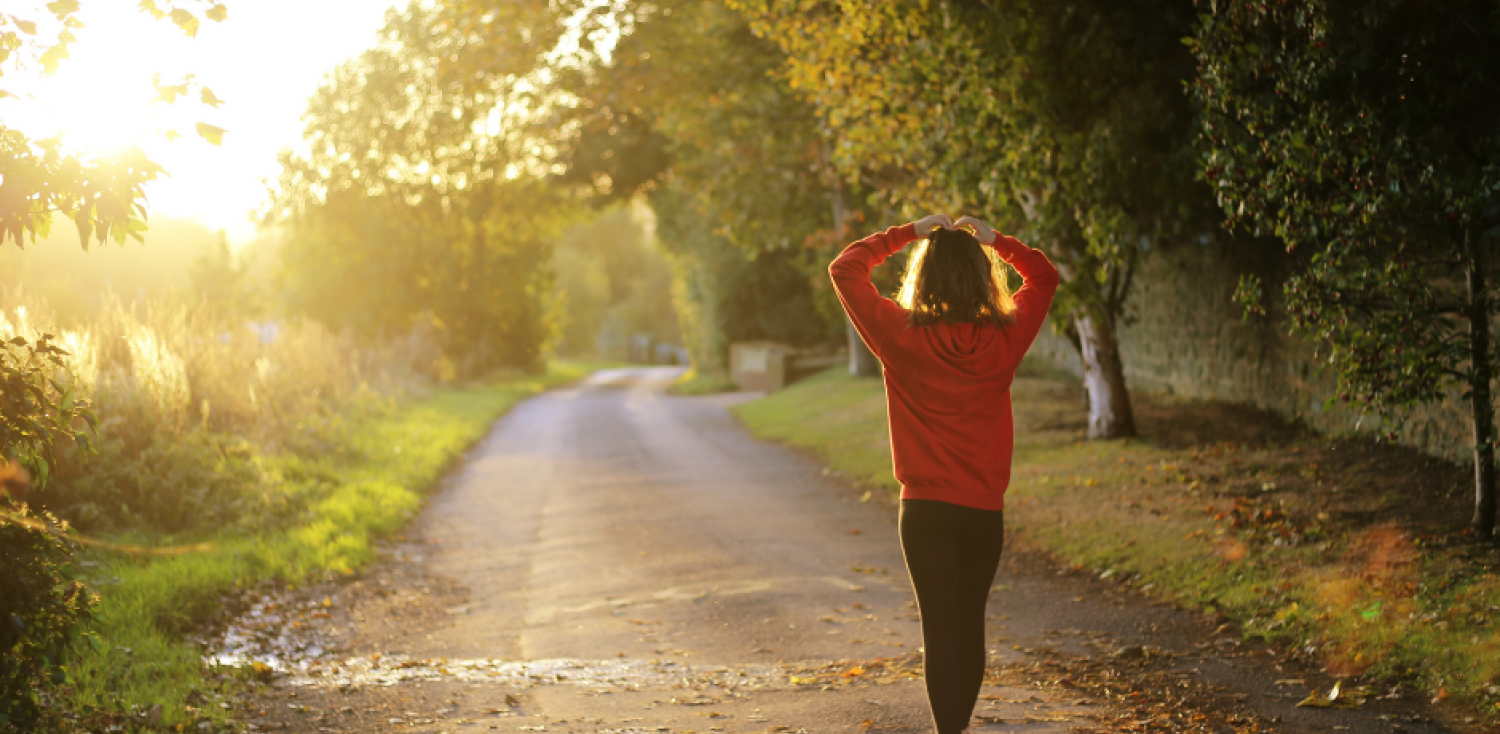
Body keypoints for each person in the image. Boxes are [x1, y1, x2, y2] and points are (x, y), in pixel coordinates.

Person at [829, 213, 1060, 734]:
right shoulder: (1006, 336)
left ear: (924, 276)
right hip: (983, 512)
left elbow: (846, 269)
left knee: (940, 632)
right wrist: (996, 241)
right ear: (983, 277)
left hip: (924, 511)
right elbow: (1045, 277)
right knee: (969, 626)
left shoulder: (898, 334)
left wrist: (908, 232)